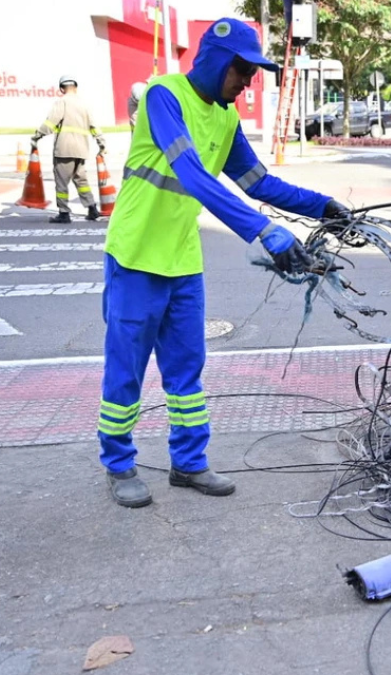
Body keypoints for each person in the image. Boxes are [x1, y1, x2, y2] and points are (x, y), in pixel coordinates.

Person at [99, 18, 353, 508]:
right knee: (126, 369)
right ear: (217, 61)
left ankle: (189, 463)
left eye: (253, 73)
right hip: (133, 256)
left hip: (181, 261)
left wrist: (324, 206)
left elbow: (258, 183)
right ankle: (119, 464)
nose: (247, 82)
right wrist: (265, 231)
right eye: (242, 70)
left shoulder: (226, 119)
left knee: (187, 370)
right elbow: (192, 174)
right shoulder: (163, 97)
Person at [32, 77, 106, 223]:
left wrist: (37, 136)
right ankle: (92, 208)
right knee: (81, 180)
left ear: (61, 89)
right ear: (76, 87)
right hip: (82, 149)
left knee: (61, 182)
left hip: (65, 149)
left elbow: (50, 123)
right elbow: (94, 126)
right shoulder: (84, 104)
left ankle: (64, 213)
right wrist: (101, 143)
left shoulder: (62, 102)